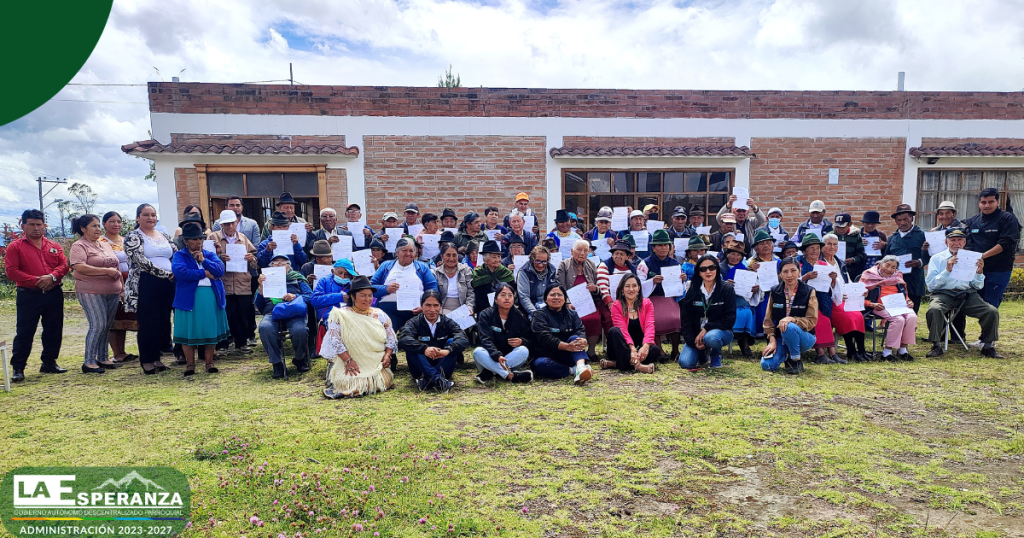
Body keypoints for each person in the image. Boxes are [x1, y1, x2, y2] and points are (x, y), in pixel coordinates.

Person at [924, 228, 1001, 358]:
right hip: (943, 294)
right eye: (952, 240)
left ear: (964, 242)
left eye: (960, 240)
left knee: (991, 311)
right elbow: (931, 286)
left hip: (967, 294)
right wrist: (947, 270)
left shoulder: (972, 258)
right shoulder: (937, 259)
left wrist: (979, 273)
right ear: (946, 242)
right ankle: (936, 345)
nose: (956, 243)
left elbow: (977, 286)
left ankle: (988, 346)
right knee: (934, 309)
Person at [320, 275, 395, 398]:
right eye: (362, 295)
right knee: (349, 381)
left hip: (375, 363)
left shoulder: (380, 314)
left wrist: (387, 355)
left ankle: (350, 391)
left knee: (383, 381)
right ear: (353, 297)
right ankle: (349, 389)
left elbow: (391, 338)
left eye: (370, 295)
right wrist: (348, 361)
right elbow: (335, 340)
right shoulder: (340, 315)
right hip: (348, 362)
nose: (367, 299)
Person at [171, 221, 229, 376]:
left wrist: (204, 261)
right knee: (188, 331)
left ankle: (209, 362)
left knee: (209, 329)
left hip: (209, 295)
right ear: (185, 241)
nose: (198, 242)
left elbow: (220, 270)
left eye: (200, 238)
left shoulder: (209, 254)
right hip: (188, 297)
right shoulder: (180, 255)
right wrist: (204, 273)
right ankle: (190, 364)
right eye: (194, 239)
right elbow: (180, 272)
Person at [124, 203, 177, 374]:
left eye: (153, 215)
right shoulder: (133, 236)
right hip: (146, 282)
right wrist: (163, 273)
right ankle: (147, 360)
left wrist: (176, 271)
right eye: (146, 215)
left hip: (168, 282)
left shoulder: (163, 235)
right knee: (148, 322)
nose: (150, 218)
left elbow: (175, 254)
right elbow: (139, 259)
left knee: (162, 321)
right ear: (138, 218)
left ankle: (157, 358)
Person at [68, 214, 123, 374]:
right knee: (98, 325)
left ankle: (103, 357)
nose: (98, 229)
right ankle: (89, 361)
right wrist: (105, 271)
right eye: (94, 226)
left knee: (106, 325)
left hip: (112, 290)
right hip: (91, 291)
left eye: (99, 225)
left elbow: (116, 266)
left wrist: (122, 288)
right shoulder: (79, 246)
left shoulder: (104, 244)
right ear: (83, 228)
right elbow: (79, 266)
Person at [370, 237, 440, 359]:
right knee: (384, 330)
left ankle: (418, 360)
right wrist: (386, 289)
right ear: (396, 252)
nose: (408, 253)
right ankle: (389, 358)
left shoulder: (422, 267)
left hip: (415, 310)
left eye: (411, 250)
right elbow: (371, 288)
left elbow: (432, 289)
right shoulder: (386, 266)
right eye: (404, 250)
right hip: (389, 309)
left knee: (418, 332)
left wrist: (424, 307)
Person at [256, 253, 314, 379]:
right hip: (272, 311)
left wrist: (295, 296)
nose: (279, 264)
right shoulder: (266, 279)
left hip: (294, 312)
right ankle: (276, 363)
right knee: (264, 327)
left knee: (300, 330)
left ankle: (299, 358)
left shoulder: (298, 278)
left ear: (289, 266)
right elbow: (258, 304)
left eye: (283, 262)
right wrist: (261, 287)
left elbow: (310, 297)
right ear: (271, 266)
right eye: (276, 263)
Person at [398, 290, 469, 392]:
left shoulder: (447, 322)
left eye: (436, 305)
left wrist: (448, 350)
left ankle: (427, 381)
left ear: (441, 306)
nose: (432, 310)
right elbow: (403, 339)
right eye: (428, 305)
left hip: (443, 367)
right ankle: (438, 380)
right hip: (420, 369)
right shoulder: (414, 322)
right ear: (421, 306)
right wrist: (424, 349)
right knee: (412, 345)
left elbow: (463, 338)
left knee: (452, 341)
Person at [208, 209, 258, 355]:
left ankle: (241, 343)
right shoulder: (213, 238)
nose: (230, 226)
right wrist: (219, 258)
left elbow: (255, 262)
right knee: (225, 314)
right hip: (223, 282)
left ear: (236, 222)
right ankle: (223, 344)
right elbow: (206, 259)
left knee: (242, 314)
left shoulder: (243, 238)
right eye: (226, 224)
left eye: (232, 223)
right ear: (221, 225)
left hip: (242, 282)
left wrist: (251, 259)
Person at [760, 257, 819, 375]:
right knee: (767, 365)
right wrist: (772, 340)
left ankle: (795, 360)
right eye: (785, 271)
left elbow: (811, 320)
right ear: (780, 274)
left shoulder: (809, 291)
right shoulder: (775, 291)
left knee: (789, 326)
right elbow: (768, 320)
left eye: (793, 270)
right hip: (780, 337)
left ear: (799, 272)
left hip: (804, 336)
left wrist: (792, 319)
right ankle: (786, 354)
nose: (789, 275)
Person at [965, 187, 1021, 308]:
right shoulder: (973, 221)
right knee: (974, 305)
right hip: (977, 270)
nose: (987, 205)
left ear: (998, 202)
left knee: (991, 306)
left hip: (998, 270)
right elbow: (957, 231)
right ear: (979, 203)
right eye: (983, 202)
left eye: (991, 202)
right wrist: (937, 230)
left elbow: (1005, 243)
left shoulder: (1008, 219)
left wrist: (982, 256)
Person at [678, 254, 736, 370]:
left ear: (717, 269)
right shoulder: (692, 289)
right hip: (697, 334)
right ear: (699, 272)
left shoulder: (727, 289)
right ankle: (703, 353)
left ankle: (716, 355)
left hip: (720, 332)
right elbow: (686, 319)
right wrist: (693, 341)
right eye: (703, 269)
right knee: (685, 363)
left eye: (712, 268)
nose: (708, 272)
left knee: (711, 337)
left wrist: (706, 328)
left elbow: (730, 319)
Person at [555, 240, 611, 359]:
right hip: (570, 302)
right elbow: (560, 286)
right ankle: (577, 350)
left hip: (588, 302)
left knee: (594, 318)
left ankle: (591, 351)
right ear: (572, 251)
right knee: (575, 318)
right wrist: (567, 302)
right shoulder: (564, 265)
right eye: (579, 250)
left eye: (586, 251)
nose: (582, 253)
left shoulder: (591, 264)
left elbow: (598, 285)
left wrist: (595, 288)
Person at [637, 229, 686, 361]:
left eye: (666, 245)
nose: (663, 248)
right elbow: (638, 284)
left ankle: (675, 350)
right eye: (659, 245)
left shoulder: (675, 263)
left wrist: (682, 280)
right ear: (653, 248)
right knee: (654, 319)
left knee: (676, 318)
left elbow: (680, 289)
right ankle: (659, 350)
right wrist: (652, 282)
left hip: (669, 298)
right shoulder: (645, 264)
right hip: (651, 298)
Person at [795, 235, 845, 365]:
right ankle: (821, 353)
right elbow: (791, 282)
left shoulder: (824, 265)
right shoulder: (798, 264)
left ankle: (833, 354)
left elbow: (831, 286)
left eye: (817, 248)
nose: (815, 251)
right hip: (803, 300)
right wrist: (804, 278)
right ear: (804, 250)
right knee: (818, 318)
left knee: (825, 319)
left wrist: (833, 279)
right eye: (812, 248)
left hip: (821, 299)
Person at [530, 284, 593, 385]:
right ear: (545, 299)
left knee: (576, 338)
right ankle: (573, 370)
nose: (556, 297)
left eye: (559, 294)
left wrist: (583, 339)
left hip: (569, 354)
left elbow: (580, 330)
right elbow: (545, 337)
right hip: (547, 354)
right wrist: (566, 346)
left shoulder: (572, 314)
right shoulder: (539, 315)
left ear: (565, 299)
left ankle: (581, 367)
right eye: (552, 295)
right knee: (540, 364)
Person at [860, 255, 918, 361]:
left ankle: (903, 349)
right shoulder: (868, 275)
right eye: (887, 265)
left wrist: (908, 301)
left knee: (912, 317)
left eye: (893, 267)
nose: (889, 269)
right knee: (898, 319)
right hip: (879, 306)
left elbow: (904, 294)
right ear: (880, 264)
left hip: (898, 305)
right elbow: (857, 297)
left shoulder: (898, 276)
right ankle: (887, 352)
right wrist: (871, 304)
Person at [473, 283, 534, 384]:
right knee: (478, 352)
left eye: (510, 295)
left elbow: (530, 339)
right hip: (490, 357)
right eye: (503, 295)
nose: (507, 298)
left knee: (523, 350)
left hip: (510, 359)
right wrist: (497, 356)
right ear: (496, 299)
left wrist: (522, 341)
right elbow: (485, 339)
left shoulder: (520, 316)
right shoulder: (486, 315)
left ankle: (489, 372)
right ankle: (510, 375)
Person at [822, 234, 868, 362]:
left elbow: (848, 281)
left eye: (835, 244)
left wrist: (859, 291)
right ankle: (851, 350)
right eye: (829, 244)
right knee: (847, 316)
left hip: (846, 297)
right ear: (822, 246)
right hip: (832, 300)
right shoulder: (821, 263)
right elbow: (822, 285)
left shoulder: (840, 262)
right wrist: (837, 294)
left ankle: (862, 350)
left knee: (858, 316)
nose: (832, 247)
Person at [601, 273, 660, 373]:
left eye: (634, 286)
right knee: (614, 331)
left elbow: (650, 326)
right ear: (622, 289)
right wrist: (632, 349)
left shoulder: (647, 303)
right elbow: (622, 330)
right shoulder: (616, 305)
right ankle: (638, 366)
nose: (631, 289)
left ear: (639, 288)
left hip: (639, 346)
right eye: (627, 286)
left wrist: (645, 347)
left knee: (655, 350)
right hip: (622, 346)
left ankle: (617, 364)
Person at [99, 211, 137, 364]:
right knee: (115, 317)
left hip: (130, 280)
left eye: (119, 221)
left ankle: (123, 351)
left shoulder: (126, 240)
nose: (116, 224)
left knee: (127, 316)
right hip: (113, 279)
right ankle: (117, 352)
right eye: (112, 221)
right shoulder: (100, 242)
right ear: (104, 224)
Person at [883, 204, 926, 313]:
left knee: (912, 313)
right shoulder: (892, 238)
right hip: (895, 282)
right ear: (896, 221)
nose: (902, 223)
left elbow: (929, 256)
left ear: (912, 219)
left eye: (905, 219)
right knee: (895, 314)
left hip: (914, 281)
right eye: (899, 220)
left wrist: (919, 262)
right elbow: (885, 258)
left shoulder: (922, 235)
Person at [720, 243, 760, 358]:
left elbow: (749, 288)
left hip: (740, 298)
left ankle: (744, 341)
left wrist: (754, 289)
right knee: (738, 311)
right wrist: (724, 284)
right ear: (727, 254)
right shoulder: (719, 268)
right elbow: (713, 284)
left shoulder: (745, 269)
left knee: (747, 311)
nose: (735, 257)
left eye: (738, 255)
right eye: (732, 254)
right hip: (723, 299)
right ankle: (737, 337)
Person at [310, 258, 360, 348]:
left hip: (350, 315)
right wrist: (339, 297)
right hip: (330, 316)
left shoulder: (352, 284)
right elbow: (315, 300)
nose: (343, 276)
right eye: (340, 273)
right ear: (333, 271)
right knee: (338, 329)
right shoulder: (324, 281)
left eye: (347, 274)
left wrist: (358, 282)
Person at [746, 231, 781, 342]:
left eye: (768, 243)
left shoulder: (778, 261)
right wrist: (753, 273)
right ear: (756, 249)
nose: (765, 246)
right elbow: (746, 281)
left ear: (772, 247)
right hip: (760, 295)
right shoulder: (750, 263)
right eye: (761, 244)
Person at [432, 242, 475, 315]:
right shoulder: (436, 273)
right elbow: (433, 295)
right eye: (448, 255)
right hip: (442, 309)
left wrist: (469, 307)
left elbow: (471, 293)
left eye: (454, 255)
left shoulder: (466, 270)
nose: (451, 259)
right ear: (442, 257)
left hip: (463, 308)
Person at [471, 240, 515, 310]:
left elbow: (513, 293)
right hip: (484, 309)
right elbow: (477, 297)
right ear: (485, 260)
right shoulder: (478, 273)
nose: (498, 260)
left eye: (499, 256)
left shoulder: (506, 273)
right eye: (494, 257)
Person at [516, 245, 558, 320]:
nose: (540, 265)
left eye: (544, 262)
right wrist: (535, 314)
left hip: (549, 308)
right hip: (529, 310)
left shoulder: (552, 270)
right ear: (532, 259)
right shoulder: (524, 272)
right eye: (537, 261)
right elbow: (524, 297)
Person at [833, 213, 867, 281]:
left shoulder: (856, 236)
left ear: (850, 224)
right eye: (838, 227)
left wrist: (853, 259)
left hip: (851, 271)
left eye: (843, 227)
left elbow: (862, 255)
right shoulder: (831, 236)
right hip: (834, 269)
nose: (840, 230)